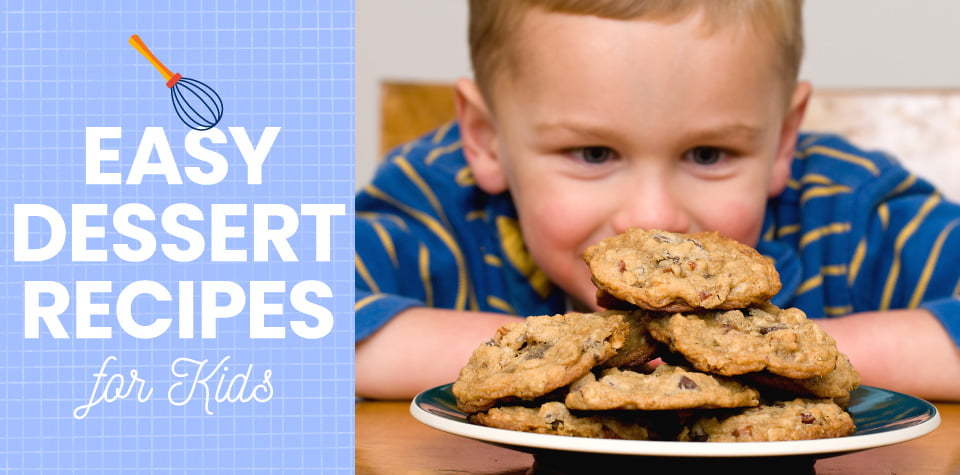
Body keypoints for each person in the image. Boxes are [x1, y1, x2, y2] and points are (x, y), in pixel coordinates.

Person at [355, 0, 960, 401]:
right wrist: (554, 356)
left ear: (782, 141)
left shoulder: (851, 212)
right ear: (487, 141)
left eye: (707, 155)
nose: (653, 218)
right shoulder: (435, 205)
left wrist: (776, 355)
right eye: (593, 154)